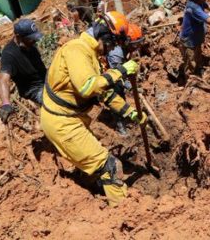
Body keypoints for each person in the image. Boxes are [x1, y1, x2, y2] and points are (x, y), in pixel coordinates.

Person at [40, 11, 147, 207]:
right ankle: (125, 211)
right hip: (62, 123)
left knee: (92, 164)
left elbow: (103, 93)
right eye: (112, 44)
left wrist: (129, 112)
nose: (111, 49)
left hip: (71, 119)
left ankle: (93, 188)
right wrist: (121, 71)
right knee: (110, 165)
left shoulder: (91, 54)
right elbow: (88, 87)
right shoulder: (77, 51)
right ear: (104, 36)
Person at [0, 19, 46, 123]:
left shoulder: (28, 44)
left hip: (46, 81)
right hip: (34, 89)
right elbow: (3, 80)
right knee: (53, 101)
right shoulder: (9, 54)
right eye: (30, 39)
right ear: (18, 37)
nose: (34, 41)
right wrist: (6, 104)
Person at [106, 23, 145, 136]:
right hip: (108, 74)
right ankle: (119, 123)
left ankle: (123, 114)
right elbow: (117, 76)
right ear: (126, 42)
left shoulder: (124, 47)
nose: (136, 47)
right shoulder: (116, 53)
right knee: (116, 93)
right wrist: (131, 87)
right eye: (134, 45)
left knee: (121, 92)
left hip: (116, 71)